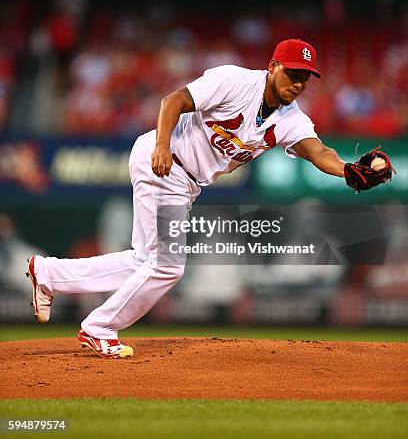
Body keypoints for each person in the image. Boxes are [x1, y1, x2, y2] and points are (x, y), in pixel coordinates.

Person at [26, 39, 389, 359]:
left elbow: (316, 150)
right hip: (166, 164)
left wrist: (347, 170)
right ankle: (100, 327)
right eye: (292, 72)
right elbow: (174, 100)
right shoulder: (234, 81)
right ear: (272, 66)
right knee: (168, 266)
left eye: (305, 77)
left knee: (143, 260)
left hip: (186, 180)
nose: (297, 82)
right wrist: (163, 146)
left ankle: (48, 274)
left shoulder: (290, 118)